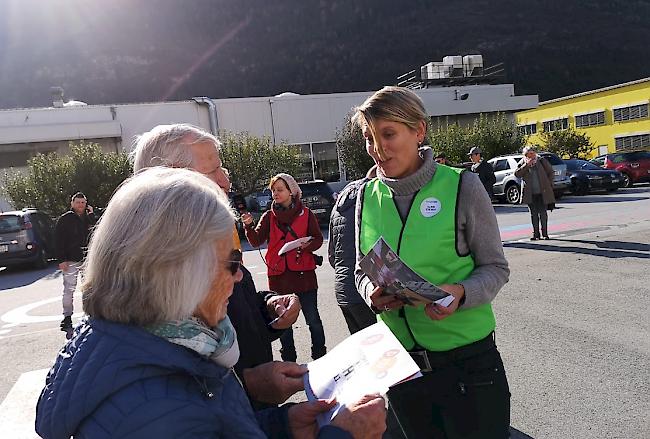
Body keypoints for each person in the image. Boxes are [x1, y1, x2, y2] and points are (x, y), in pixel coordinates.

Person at [35, 167, 387, 439]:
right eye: (232, 263)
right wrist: (342, 433)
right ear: (181, 277)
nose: (239, 276)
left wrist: (283, 425)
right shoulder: (154, 410)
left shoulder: (163, 344)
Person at [353, 86, 511, 439]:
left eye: (388, 134)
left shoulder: (462, 186)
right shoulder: (365, 194)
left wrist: (460, 292)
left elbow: (496, 268)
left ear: (419, 131)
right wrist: (370, 294)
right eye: (369, 138)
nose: (378, 149)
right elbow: (359, 268)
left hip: (467, 365)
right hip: (400, 365)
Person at [131, 123, 302, 409]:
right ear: (172, 179)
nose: (225, 181)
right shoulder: (156, 273)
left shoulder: (217, 238)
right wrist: (249, 385)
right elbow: (172, 398)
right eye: (212, 171)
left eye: (223, 169)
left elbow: (236, 312)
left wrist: (269, 309)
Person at [242, 173, 326, 362]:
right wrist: (248, 226)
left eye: (279, 190)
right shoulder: (269, 216)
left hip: (304, 276)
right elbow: (256, 241)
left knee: (313, 320)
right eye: (273, 190)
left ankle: (320, 357)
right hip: (279, 277)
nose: (275, 194)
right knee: (284, 323)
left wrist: (308, 245)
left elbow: (318, 239)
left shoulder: (306, 214)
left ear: (292, 191)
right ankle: (289, 360)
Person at [328, 173, 377, 334]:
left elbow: (332, 255)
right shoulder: (373, 199)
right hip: (366, 291)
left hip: (343, 290)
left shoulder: (340, 204)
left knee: (363, 347)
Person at [54, 192, 95, 335]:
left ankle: (90, 314)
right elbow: (59, 240)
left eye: (83, 203)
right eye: (78, 202)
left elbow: (96, 232)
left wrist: (91, 215)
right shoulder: (65, 219)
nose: (81, 205)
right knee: (69, 289)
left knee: (89, 288)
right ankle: (67, 317)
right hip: (70, 259)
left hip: (87, 259)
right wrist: (61, 260)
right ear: (72, 203)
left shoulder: (89, 218)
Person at [514, 146, 555, 240]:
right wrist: (526, 165)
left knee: (543, 213)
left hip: (542, 192)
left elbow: (551, 172)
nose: (530, 156)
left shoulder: (541, 161)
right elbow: (517, 174)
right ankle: (536, 234)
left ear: (535, 153)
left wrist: (549, 184)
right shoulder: (523, 162)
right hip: (530, 193)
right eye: (528, 154)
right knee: (533, 214)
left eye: (532, 154)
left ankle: (545, 233)